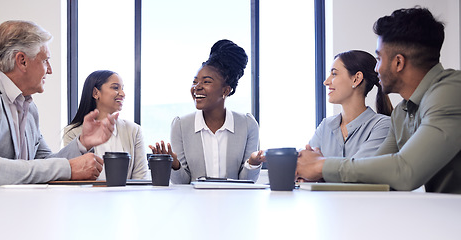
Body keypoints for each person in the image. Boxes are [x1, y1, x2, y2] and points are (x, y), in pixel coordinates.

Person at [296, 7, 461, 193]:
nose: (375, 69)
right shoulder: (402, 113)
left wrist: (321, 166)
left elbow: (405, 171)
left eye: (378, 58)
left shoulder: (453, 90)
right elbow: (370, 173)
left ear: (398, 62)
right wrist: (314, 170)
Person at [0, 20, 118, 188]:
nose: (50, 70)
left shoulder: (29, 107)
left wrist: (83, 142)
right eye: (46, 60)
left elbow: (46, 162)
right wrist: (67, 168)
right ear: (22, 61)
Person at [150, 39, 265, 184]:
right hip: (194, 205)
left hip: (235, 204)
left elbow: (246, 183)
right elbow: (182, 183)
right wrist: (174, 164)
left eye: (206, 81)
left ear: (225, 90)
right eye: (195, 81)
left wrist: (253, 163)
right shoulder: (180, 125)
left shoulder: (248, 124)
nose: (197, 87)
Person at [307, 50, 392, 159]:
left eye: (334, 74)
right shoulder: (325, 126)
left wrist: (318, 166)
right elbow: (304, 167)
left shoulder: (383, 126)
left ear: (356, 79)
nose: (326, 82)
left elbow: (357, 171)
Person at [63, 70, 147, 179]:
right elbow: (72, 176)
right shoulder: (72, 133)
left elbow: (140, 178)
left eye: (122, 88)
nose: (122, 93)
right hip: (87, 196)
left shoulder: (134, 130)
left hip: (126, 196)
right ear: (95, 93)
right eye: (116, 88)